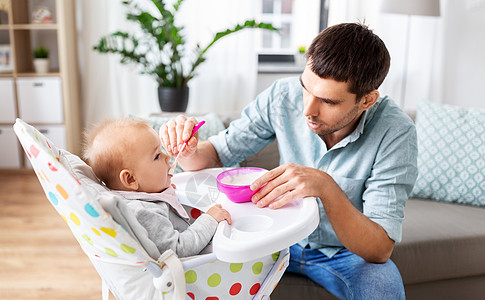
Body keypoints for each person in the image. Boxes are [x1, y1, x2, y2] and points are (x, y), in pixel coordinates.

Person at [159, 23, 417, 299]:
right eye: (305, 88)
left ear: (367, 100)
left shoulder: (395, 131)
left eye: (328, 102)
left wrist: (326, 188)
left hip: (344, 253)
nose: (308, 110)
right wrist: (188, 151)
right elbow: (215, 155)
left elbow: (379, 250)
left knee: (385, 290)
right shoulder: (282, 96)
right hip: (273, 240)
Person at [82, 118, 231, 258]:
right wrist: (210, 219)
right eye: (157, 156)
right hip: (194, 273)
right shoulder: (144, 212)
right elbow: (178, 249)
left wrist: (164, 191)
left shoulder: (145, 194)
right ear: (130, 179)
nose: (167, 157)